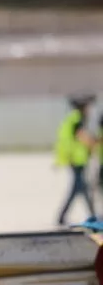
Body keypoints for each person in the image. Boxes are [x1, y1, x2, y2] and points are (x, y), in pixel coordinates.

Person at [55, 96, 96, 226]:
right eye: (87, 107)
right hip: (76, 160)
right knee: (81, 188)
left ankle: (63, 217)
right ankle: (92, 215)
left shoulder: (73, 118)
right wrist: (94, 142)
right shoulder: (77, 119)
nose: (89, 110)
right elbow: (81, 136)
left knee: (79, 189)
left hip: (76, 159)